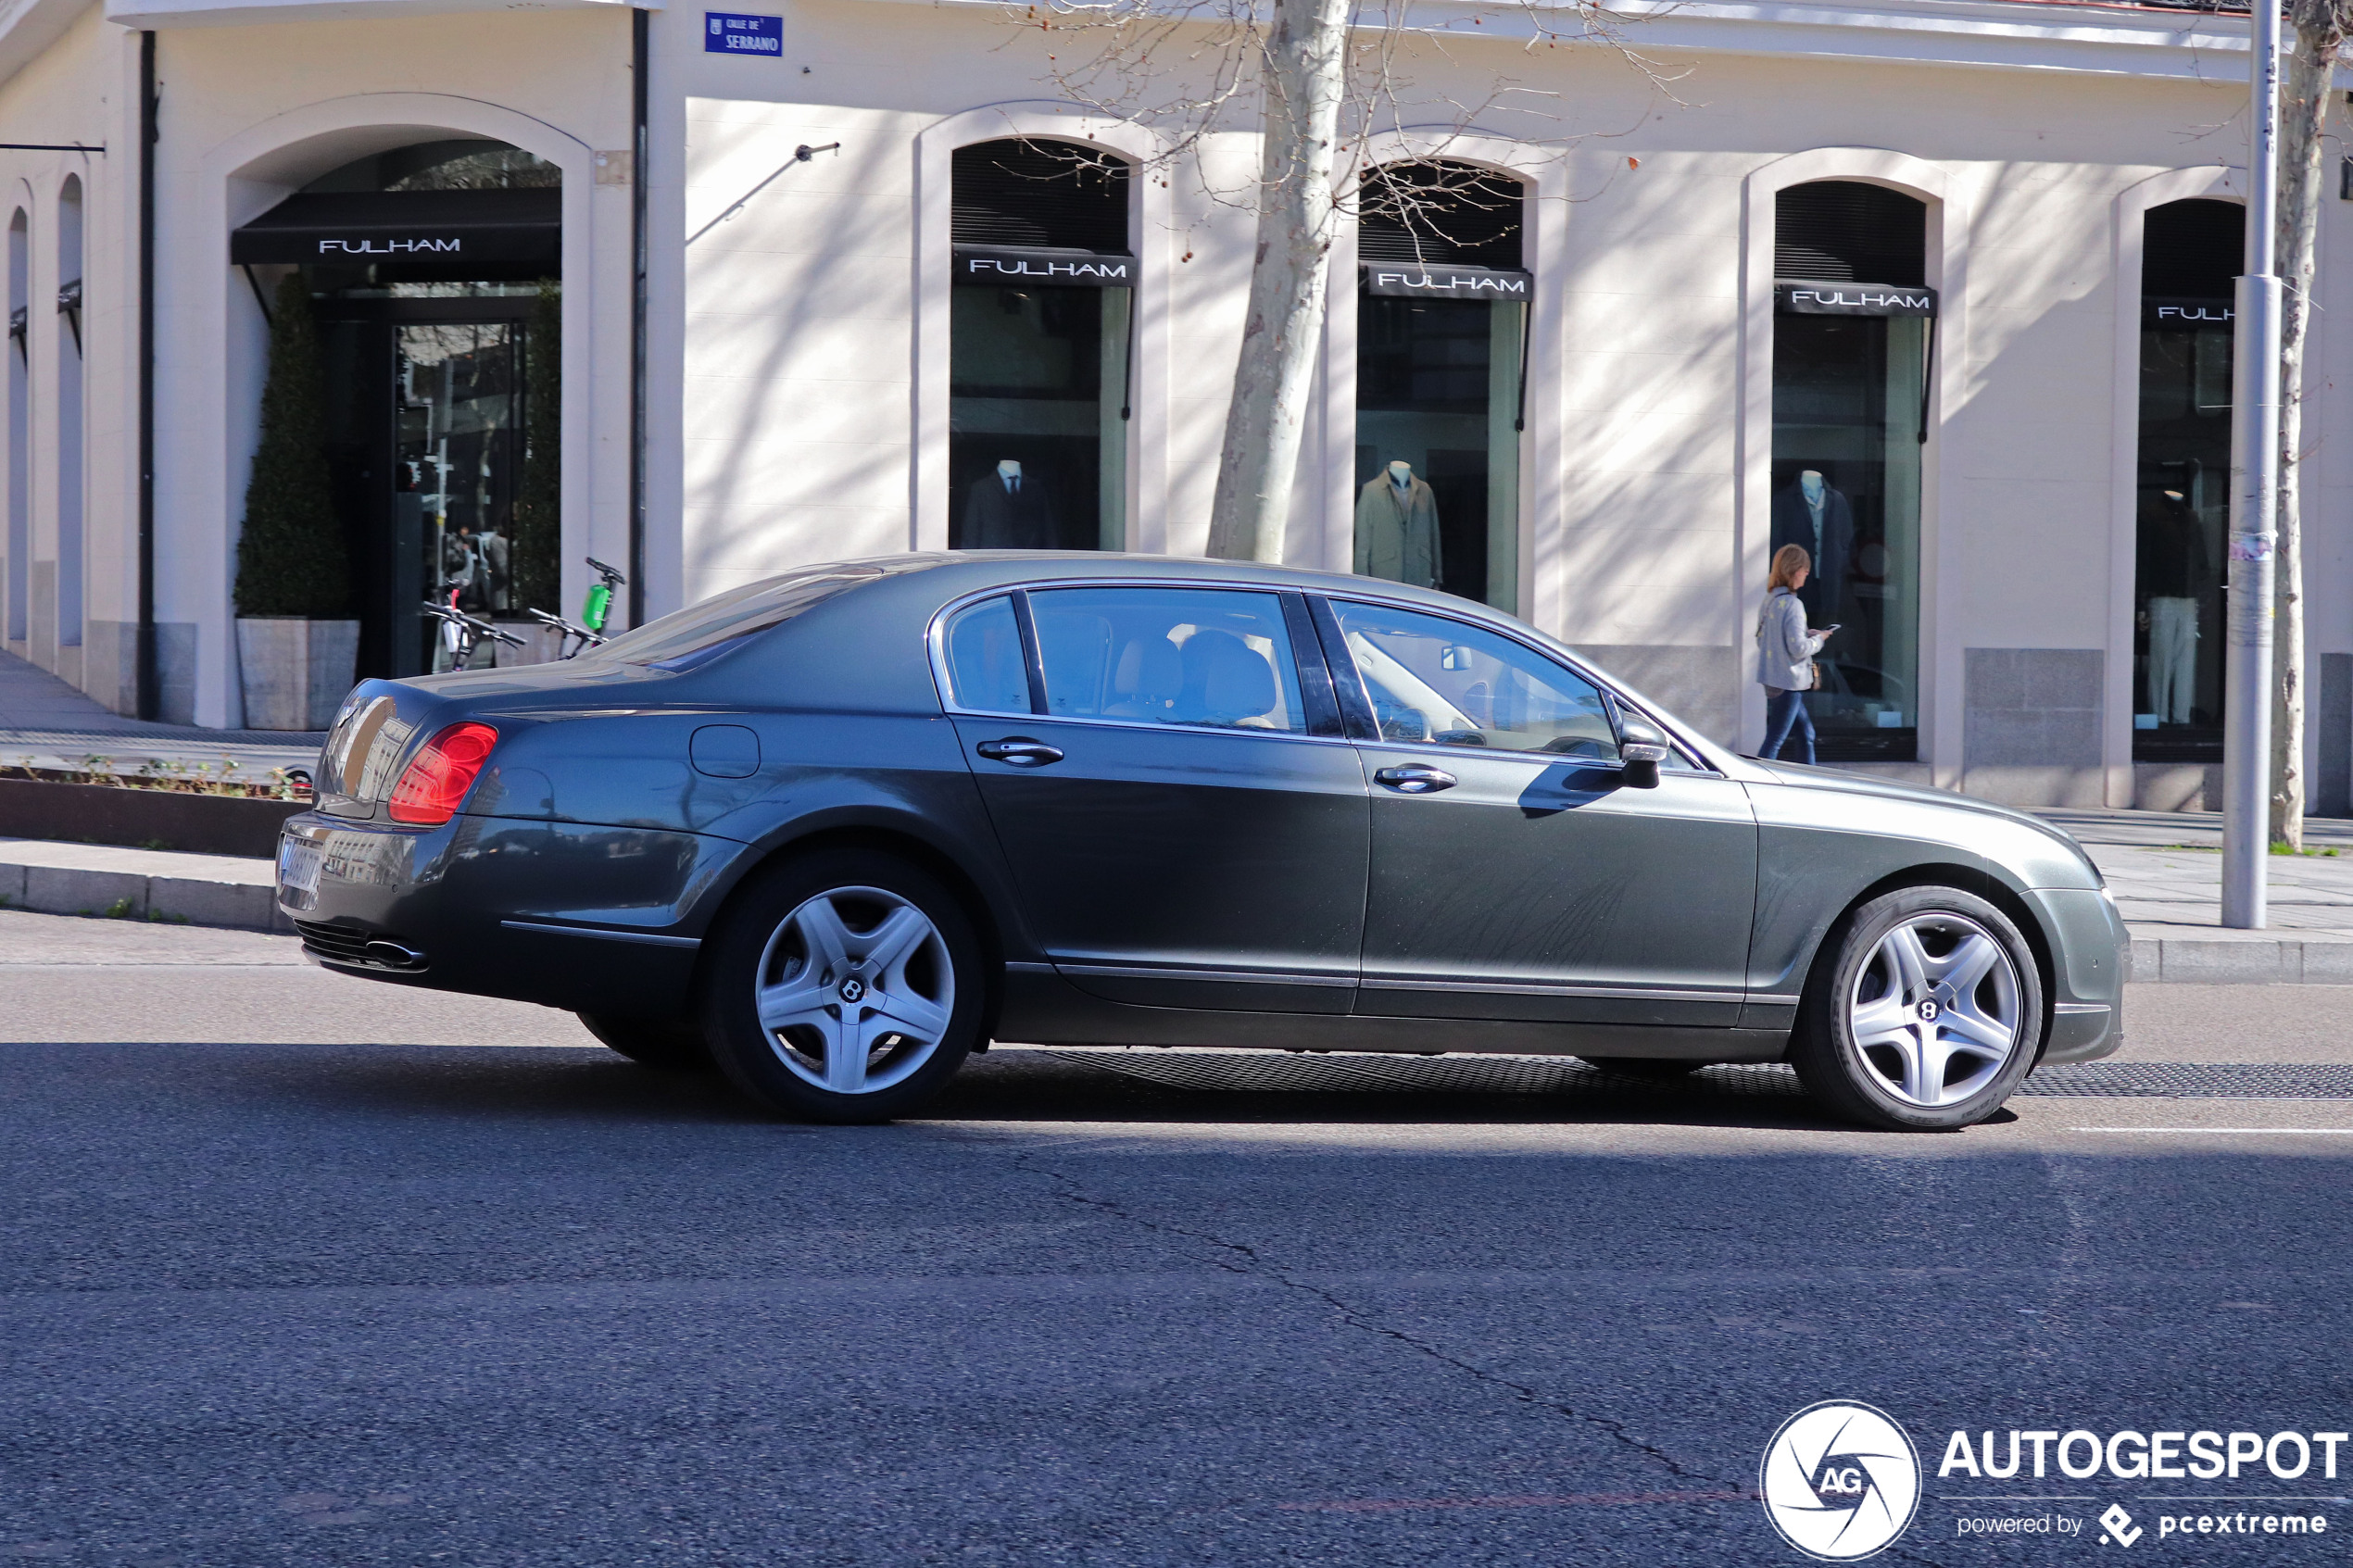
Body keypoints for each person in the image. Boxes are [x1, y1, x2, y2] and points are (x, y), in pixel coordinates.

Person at [1756, 543, 1833, 764]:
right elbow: (1799, 648)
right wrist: (1819, 639)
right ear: (1793, 570)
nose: (1807, 574)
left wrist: (1804, 632)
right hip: (1789, 682)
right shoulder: (1793, 605)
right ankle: (1759, 784)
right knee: (1775, 740)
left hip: (1773, 679)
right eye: (1805, 569)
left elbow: (1764, 639)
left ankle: (1808, 778)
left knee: (1806, 733)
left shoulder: (1769, 601)